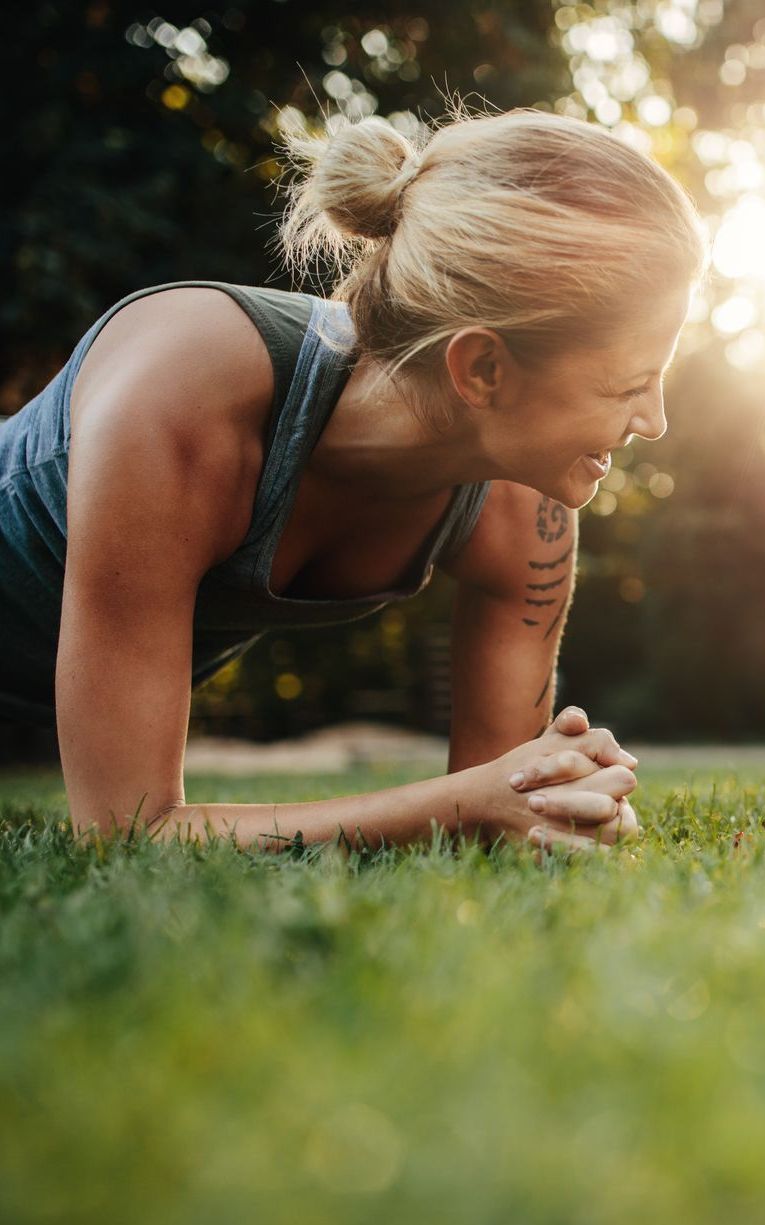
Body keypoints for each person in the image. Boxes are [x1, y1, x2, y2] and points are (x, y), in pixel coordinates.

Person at [0, 109, 707, 850]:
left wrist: (564, 800)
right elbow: (123, 832)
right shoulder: (182, 396)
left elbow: (507, 808)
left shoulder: (528, 510)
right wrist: (467, 801)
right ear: (484, 368)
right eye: (629, 384)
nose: (654, 420)